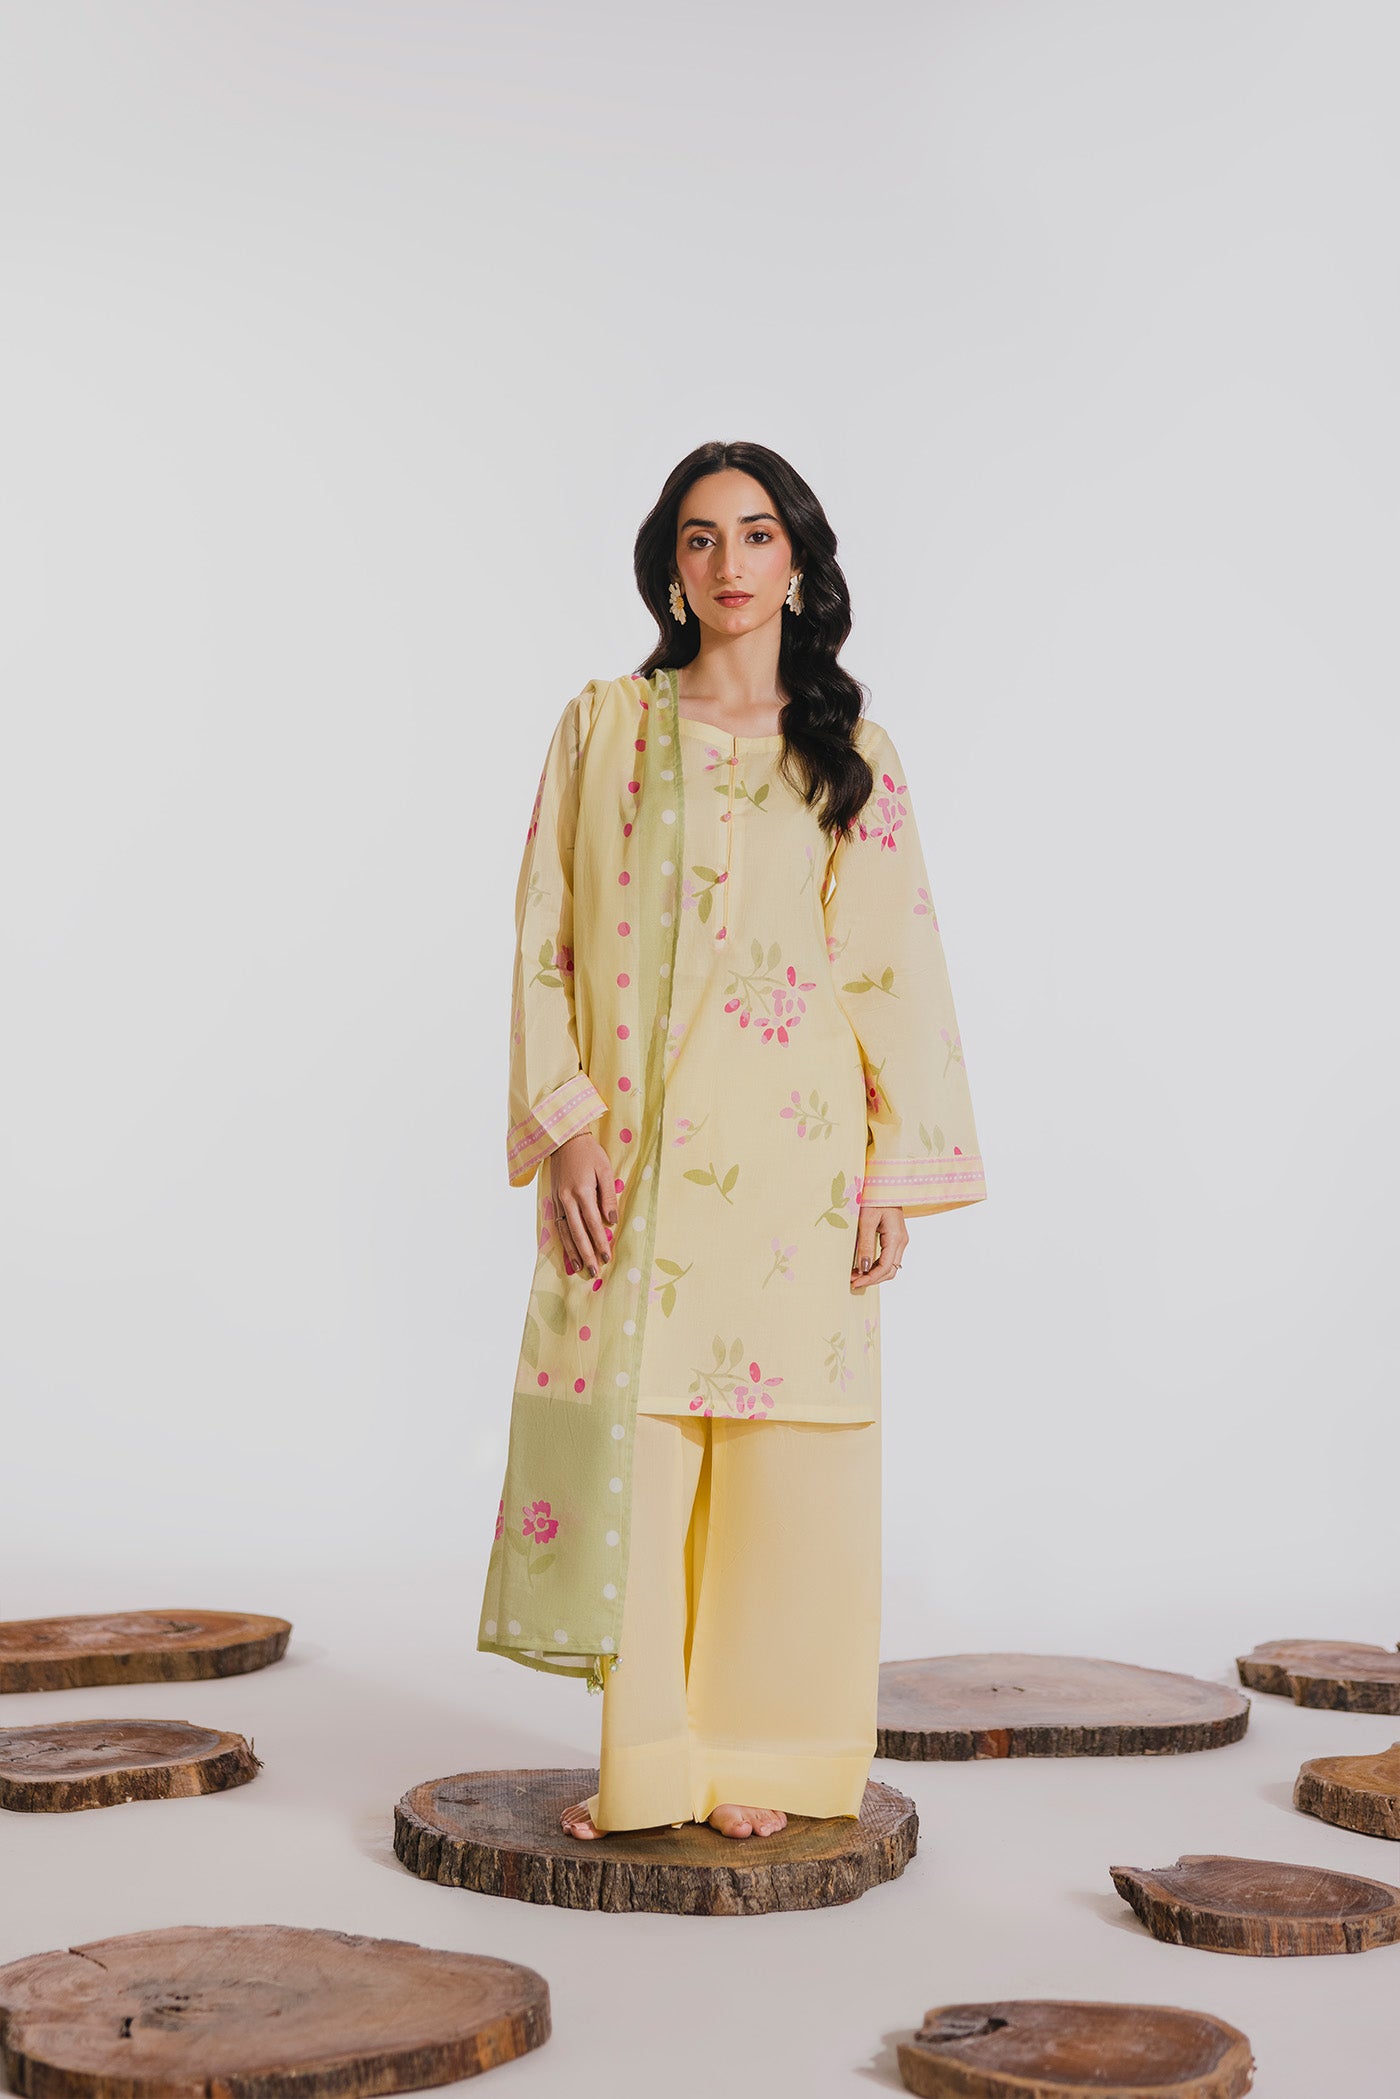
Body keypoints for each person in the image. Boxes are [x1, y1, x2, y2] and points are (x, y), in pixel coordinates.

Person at [477, 439, 987, 1843]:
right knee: (642, 1452)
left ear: (798, 560)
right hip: (636, 1161)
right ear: (671, 569)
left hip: (797, 1163)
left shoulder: (853, 756)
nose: (729, 563)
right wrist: (567, 1127)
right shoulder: (605, 730)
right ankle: (650, 1764)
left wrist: (892, 1172)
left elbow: (892, 968)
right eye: (699, 538)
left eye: (756, 534)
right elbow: (543, 937)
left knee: (788, 1460)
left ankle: (767, 1756)